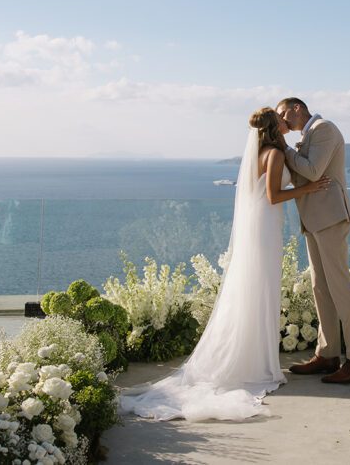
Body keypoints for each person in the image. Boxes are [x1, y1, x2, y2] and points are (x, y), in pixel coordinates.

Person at [121, 108, 329, 421]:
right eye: (281, 118)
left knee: (254, 289)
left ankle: (252, 357)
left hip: (260, 226)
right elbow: (273, 196)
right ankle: (255, 364)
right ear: (275, 126)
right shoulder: (272, 154)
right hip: (265, 226)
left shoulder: (263, 151)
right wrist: (309, 189)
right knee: (261, 289)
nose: (287, 121)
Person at [276, 97, 350, 383]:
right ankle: (328, 354)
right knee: (321, 288)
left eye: (283, 114)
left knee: (340, 287)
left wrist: (282, 148)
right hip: (314, 220)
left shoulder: (324, 128)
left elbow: (313, 170)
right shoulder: (307, 136)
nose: (282, 121)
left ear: (296, 108)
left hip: (330, 218)